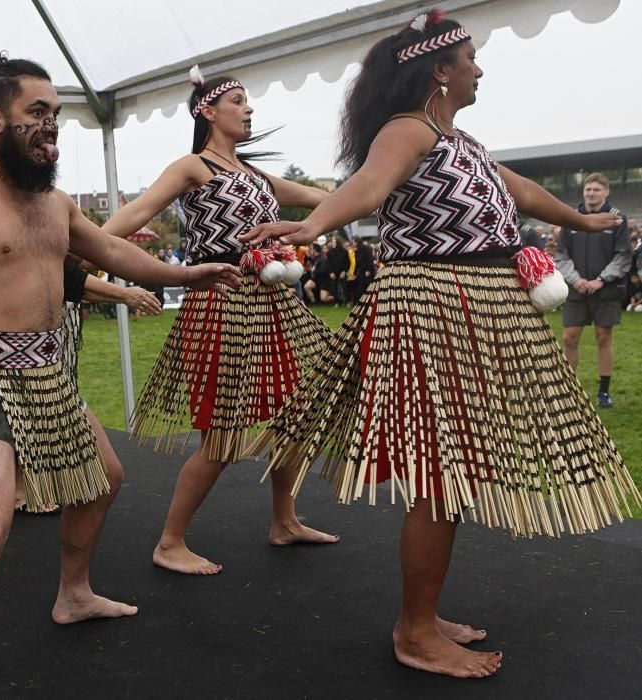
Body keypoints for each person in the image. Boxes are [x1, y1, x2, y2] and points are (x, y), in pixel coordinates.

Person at [241, 9, 640, 679]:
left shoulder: (463, 142)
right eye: (471, 58)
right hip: (432, 308)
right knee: (439, 476)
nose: (479, 68)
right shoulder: (407, 130)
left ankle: (418, 615)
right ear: (440, 70)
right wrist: (312, 225)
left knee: (453, 473)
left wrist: (583, 217)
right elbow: (367, 188)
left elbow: (527, 193)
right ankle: (415, 631)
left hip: (476, 310)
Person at [0, 54, 241, 698]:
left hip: (49, 374)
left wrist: (186, 275)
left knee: (104, 481)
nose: (51, 128)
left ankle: (74, 593)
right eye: (37, 114)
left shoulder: (53, 201)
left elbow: (111, 251)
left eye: (56, 116)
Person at [99, 66, 337, 576]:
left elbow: (329, 200)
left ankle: (285, 521)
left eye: (248, 102)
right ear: (206, 110)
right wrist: (74, 246)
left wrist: (377, 188)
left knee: (294, 416)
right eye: (238, 101)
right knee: (221, 437)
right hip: (221, 305)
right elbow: (131, 217)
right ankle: (170, 541)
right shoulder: (192, 168)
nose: (249, 110)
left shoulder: (259, 177)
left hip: (275, 306)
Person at [555, 173, 631, 408]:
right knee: (569, 338)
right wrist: (575, 279)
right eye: (588, 189)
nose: (591, 193)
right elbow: (561, 255)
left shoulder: (617, 219)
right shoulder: (571, 218)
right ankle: (568, 391)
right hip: (576, 288)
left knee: (603, 337)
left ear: (606, 192)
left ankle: (604, 391)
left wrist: (601, 279)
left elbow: (623, 255)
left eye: (597, 189)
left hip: (605, 288)